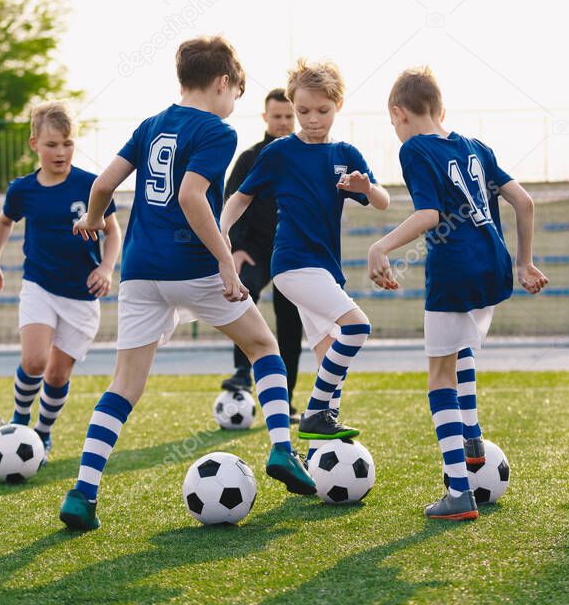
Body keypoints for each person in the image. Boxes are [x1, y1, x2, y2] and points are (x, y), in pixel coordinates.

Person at [58, 36, 314, 532]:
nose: (233, 104)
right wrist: (224, 261)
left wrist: (92, 218)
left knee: (125, 385)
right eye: (236, 93)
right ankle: (283, 449)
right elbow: (192, 196)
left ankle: (83, 493)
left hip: (138, 272)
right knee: (265, 347)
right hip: (193, 267)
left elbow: (103, 186)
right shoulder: (216, 131)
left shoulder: (151, 125)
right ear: (223, 83)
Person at [368, 66, 548, 519]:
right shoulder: (476, 146)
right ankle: (472, 438)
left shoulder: (413, 148)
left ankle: (458, 492)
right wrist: (524, 262)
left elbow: (429, 214)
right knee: (460, 348)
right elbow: (524, 201)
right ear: (440, 108)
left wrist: (381, 245)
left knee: (438, 376)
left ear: (398, 113)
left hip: (455, 268)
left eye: (393, 123)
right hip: (496, 264)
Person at [221, 58, 390, 462]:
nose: (312, 119)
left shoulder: (346, 153)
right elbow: (240, 196)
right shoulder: (280, 153)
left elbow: (381, 201)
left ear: (339, 105)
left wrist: (367, 187)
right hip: (293, 265)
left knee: (327, 347)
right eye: (303, 111)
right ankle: (316, 413)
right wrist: (222, 232)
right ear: (293, 106)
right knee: (357, 327)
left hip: (325, 266)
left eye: (322, 111)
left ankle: (322, 444)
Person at [0, 100, 121, 465]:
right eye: (52, 144)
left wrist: (106, 267)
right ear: (34, 145)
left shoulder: (92, 185)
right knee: (35, 359)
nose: (60, 152)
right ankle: (19, 421)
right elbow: (4, 222)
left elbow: (113, 231)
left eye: (67, 143)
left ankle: (42, 434)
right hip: (39, 285)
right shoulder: (23, 189)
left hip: (81, 296)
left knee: (57, 375)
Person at [221, 88, 303, 423]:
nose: (283, 123)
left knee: (290, 321)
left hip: (290, 249)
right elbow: (231, 200)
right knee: (244, 294)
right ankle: (243, 371)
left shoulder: (304, 155)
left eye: (288, 116)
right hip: (254, 248)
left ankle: (287, 397)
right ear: (265, 118)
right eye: (277, 116)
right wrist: (236, 248)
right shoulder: (250, 158)